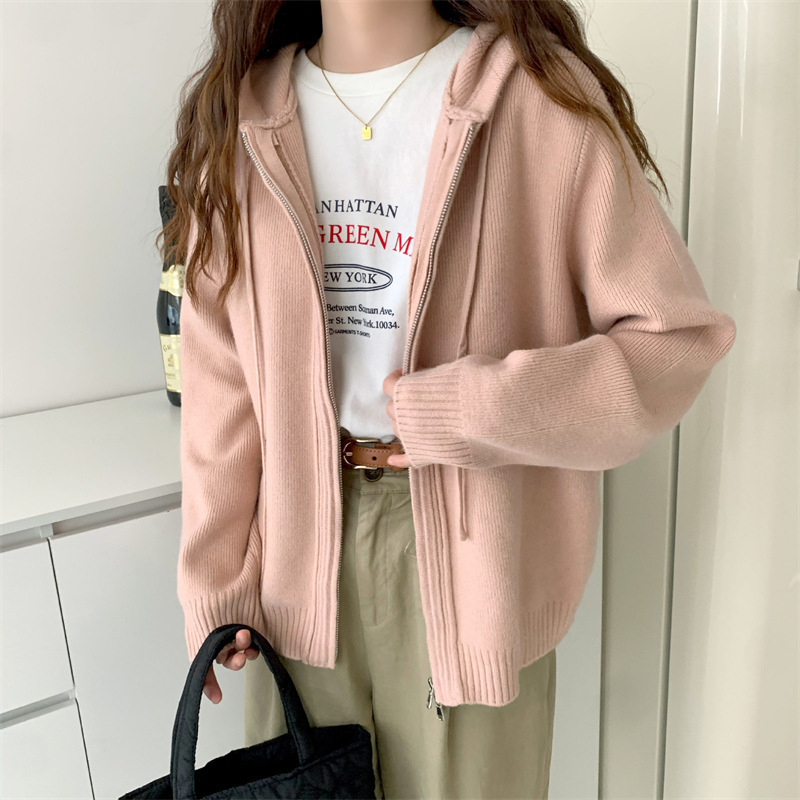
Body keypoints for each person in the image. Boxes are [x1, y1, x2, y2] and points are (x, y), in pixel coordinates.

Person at [161, 1, 736, 797]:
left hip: (478, 555)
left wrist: (475, 412)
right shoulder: (242, 120)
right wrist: (216, 574)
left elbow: (674, 343)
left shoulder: (538, 98)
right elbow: (222, 383)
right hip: (294, 558)